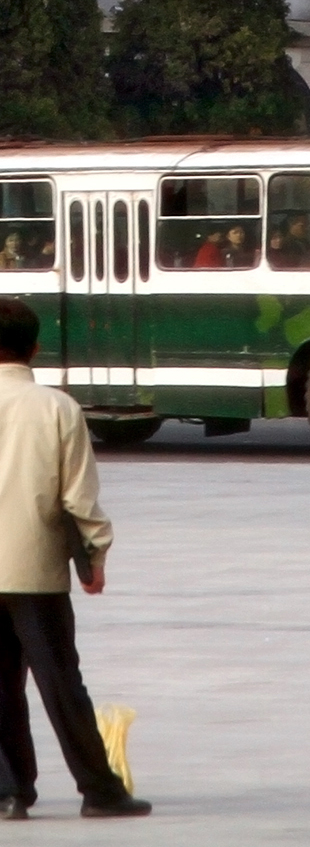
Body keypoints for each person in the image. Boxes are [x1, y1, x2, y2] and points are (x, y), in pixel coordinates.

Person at [0, 298, 151, 819]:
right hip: (34, 568)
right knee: (61, 682)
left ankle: (10, 790)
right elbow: (79, 499)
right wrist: (94, 556)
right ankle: (99, 789)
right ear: (35, 348)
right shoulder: (57, 408)